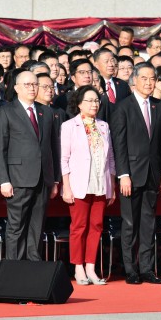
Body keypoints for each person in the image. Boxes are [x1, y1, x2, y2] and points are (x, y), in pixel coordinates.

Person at [110, 62, 161, 285]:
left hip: (153, 174)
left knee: (148, 223)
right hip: (131, 175)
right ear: (134, 80)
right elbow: (119, 144)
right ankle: (130, 269)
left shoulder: (160, 106)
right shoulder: (122, 107)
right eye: (144, 78)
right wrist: (123, 174)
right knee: (129, 224)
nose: (148, 82)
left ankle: (146, 268)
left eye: (152, 78)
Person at [0, 70, 59, 261]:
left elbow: (53, 147)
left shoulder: (47, 112)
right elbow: (1, 148)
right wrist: (4, 180)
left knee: (37, 225)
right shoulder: (6, 111)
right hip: (18, 177)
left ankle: (33, 266)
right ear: (16, 88)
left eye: (34, 84)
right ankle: (14, 268)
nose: (32, 88)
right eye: (27, 84)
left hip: (43, 177)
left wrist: (54, 179)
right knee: (16, 226)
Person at [60, 85, 116, 285]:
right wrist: (66, 186)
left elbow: (110, 159)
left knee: (96, 226)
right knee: (79, 226)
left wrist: (112, 185)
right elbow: (63, 159)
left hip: (100, 183)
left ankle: (91, 266)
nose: (94, 104)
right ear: (79, 104)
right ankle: (78, 267)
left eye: (96, 100)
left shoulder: (103, 126)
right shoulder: (69, 126)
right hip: (79, 184)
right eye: (90, 100)